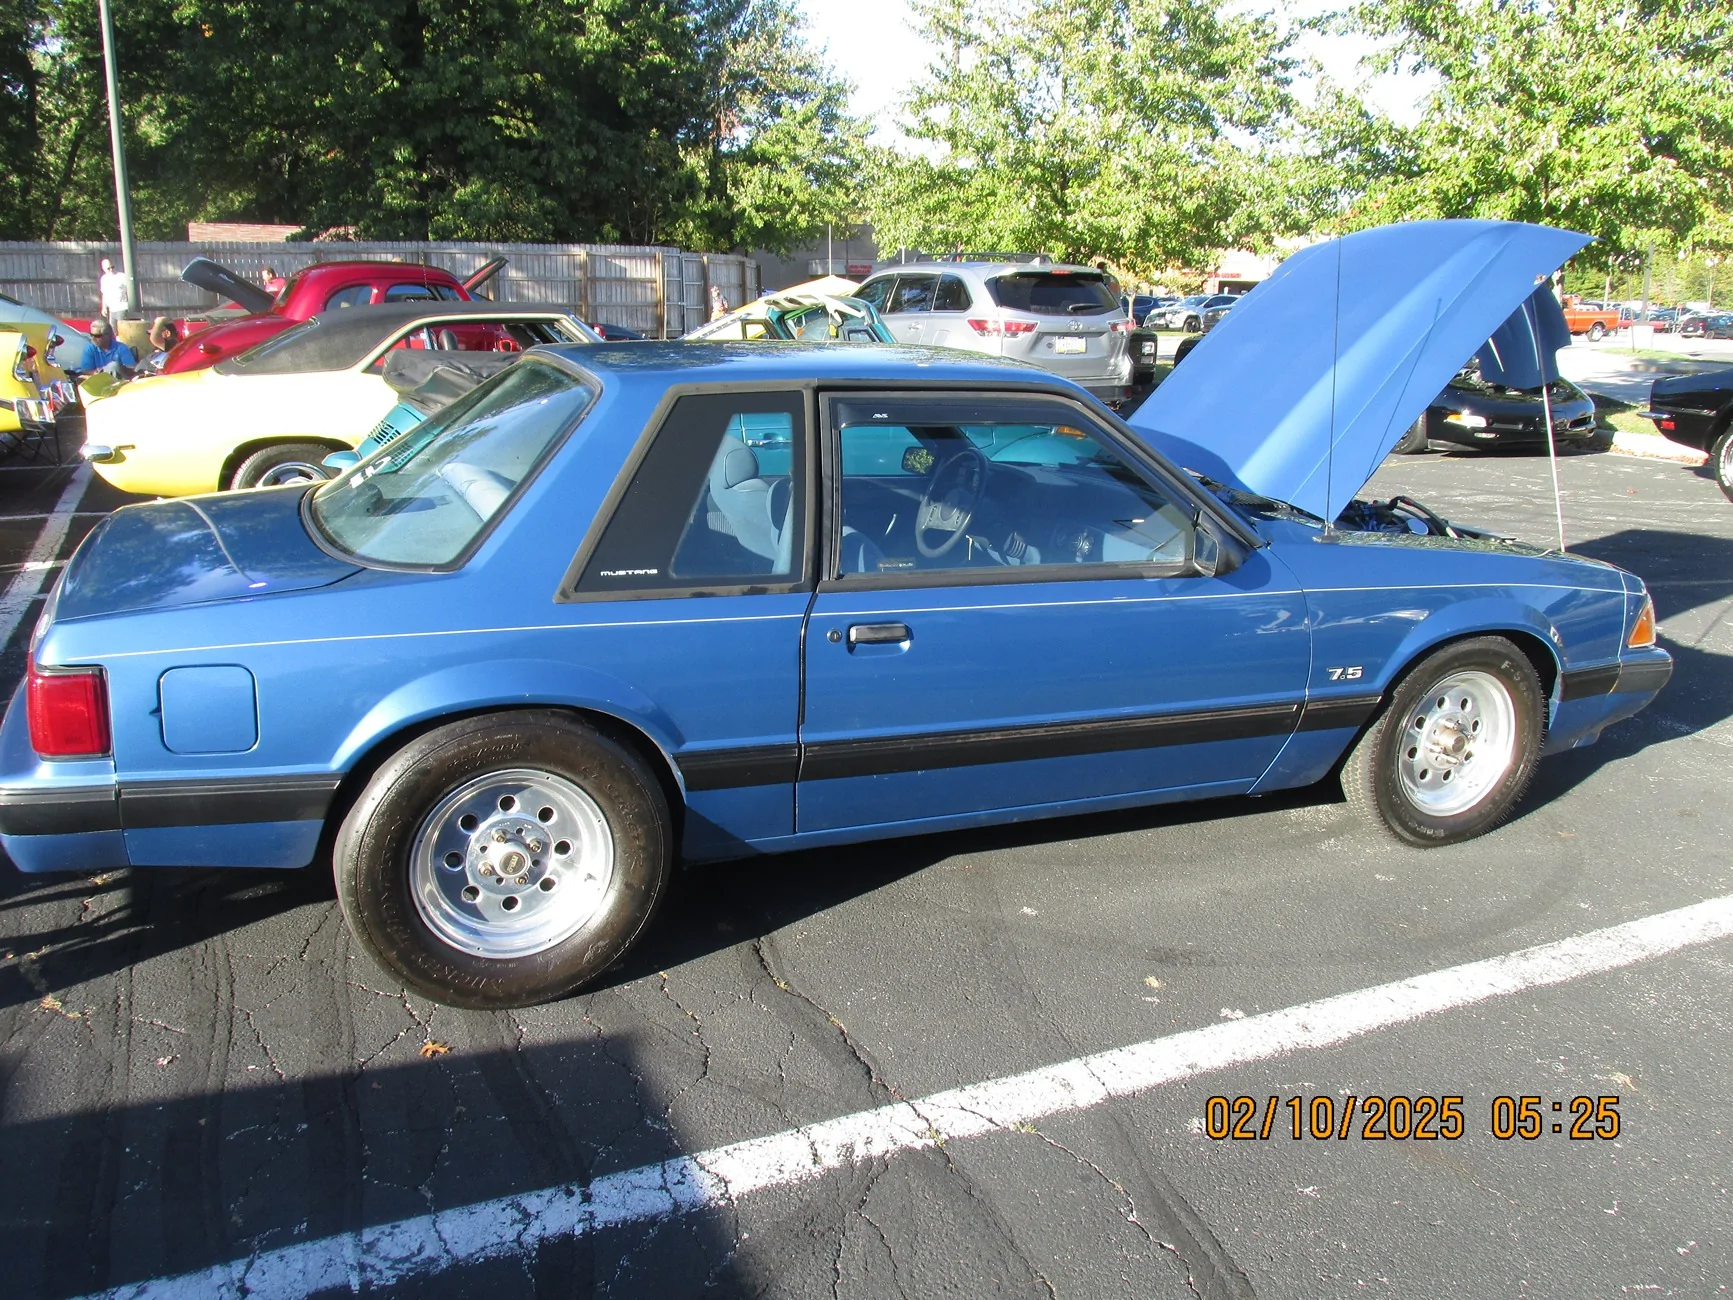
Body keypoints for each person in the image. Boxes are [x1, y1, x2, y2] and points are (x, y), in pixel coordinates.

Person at [96, 256, 130, 321]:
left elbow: (129, 290)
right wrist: (104, 307)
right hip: (112, 309)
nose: (111, 270)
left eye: (112, 267)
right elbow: (104, 294)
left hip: (122, 307)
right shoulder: (104, 279)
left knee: (121, 328)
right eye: (108, 268)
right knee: (112, 329)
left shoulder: (121, 276)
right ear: (103, 269)